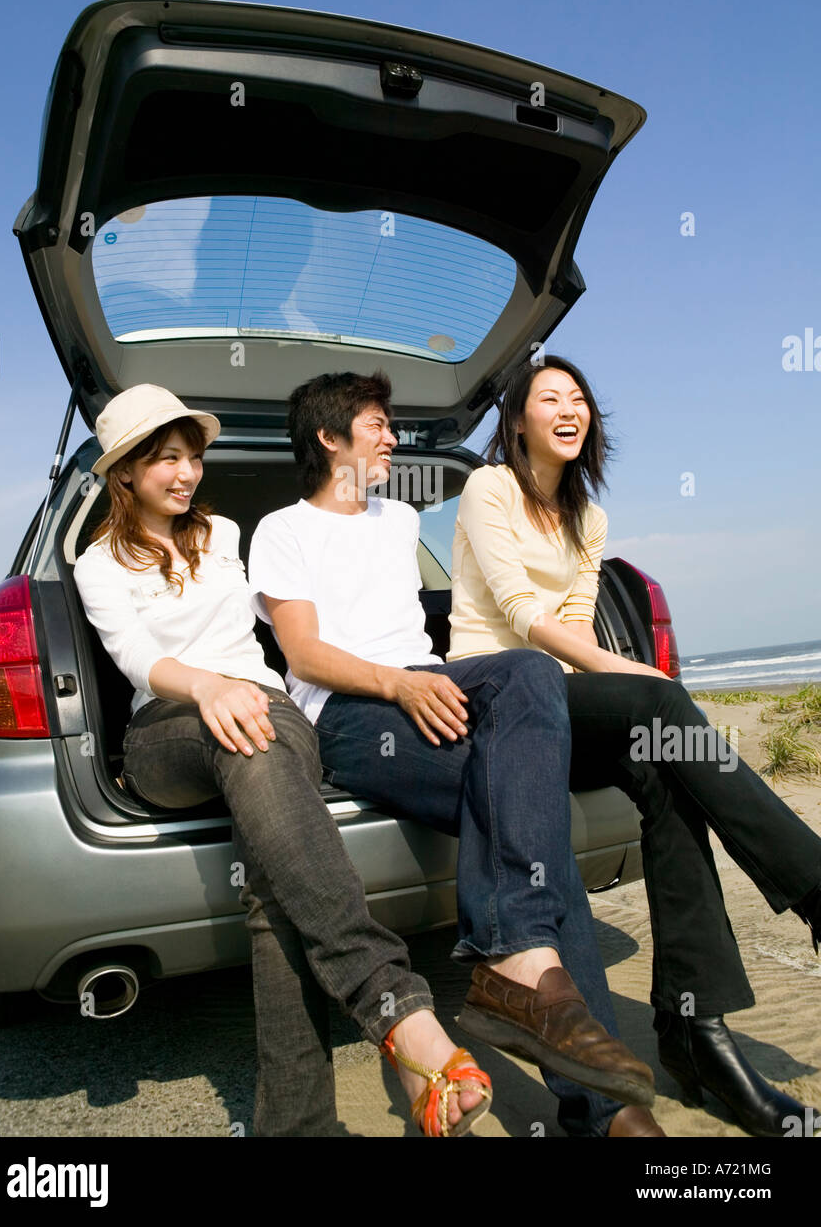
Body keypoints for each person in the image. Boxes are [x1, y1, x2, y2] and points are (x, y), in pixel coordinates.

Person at [248, 370, 665, 1139]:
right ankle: (607, 1112)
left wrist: (528, 400)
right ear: (328, 439)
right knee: (534, 835)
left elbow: (498, 488)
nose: (392, 436)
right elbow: (302, 654)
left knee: (531, 678)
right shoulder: (282, 529)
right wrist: (399, 685)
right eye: (376, 423)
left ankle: (521, 971)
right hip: (350, 712)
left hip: (433, 686)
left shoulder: (400, 516)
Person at [72, 383, 494, 1139]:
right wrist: (207, 687)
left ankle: (297, 1128)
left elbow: (279, 648)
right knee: (243, 727)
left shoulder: (228, 535)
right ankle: (394, 1004)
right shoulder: (97, 562)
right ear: (125, 472)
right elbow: (136, 660)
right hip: (168, 730)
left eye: (192, 456)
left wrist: (244, 689)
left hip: (270, 716)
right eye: (165, 459)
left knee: (273, 870)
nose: (186, 473)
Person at [447, 352, 821, 1138]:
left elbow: (579, 627)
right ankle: (813, 884)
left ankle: (699, 1032)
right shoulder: (488, 488)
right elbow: (525, 618)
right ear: (517, 421)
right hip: (501, 701)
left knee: (668, 775)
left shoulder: (590, 517)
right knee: (655, 702)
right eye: (549, 397)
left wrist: (644, 686)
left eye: (579, 397)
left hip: (571, 706)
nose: (569, 408)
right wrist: (651, 685)